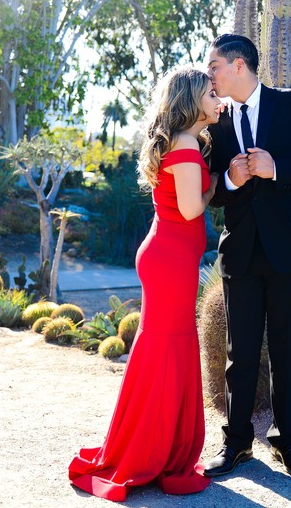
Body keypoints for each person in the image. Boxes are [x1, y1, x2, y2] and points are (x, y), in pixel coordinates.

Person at [68, 65, 223, 502]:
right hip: (171, 261)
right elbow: (193, 210)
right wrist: (227, 180)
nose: (217, 101)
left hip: (162, 254)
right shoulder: (189, 144)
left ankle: (145, 442)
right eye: (210, 95)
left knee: (159, 348)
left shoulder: (178, 141)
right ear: (193, 102)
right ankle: (153, 450)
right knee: (167, 349)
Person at [203, 34, 291, 478]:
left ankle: (287, 442)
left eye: (215, 67)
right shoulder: (217, 120)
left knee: (285, 350)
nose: (210, 75)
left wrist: (277, 169)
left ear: (239, 64)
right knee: (238, 353)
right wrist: (230, 177)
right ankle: (237, 444)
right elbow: (211, 193)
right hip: (242, 253)